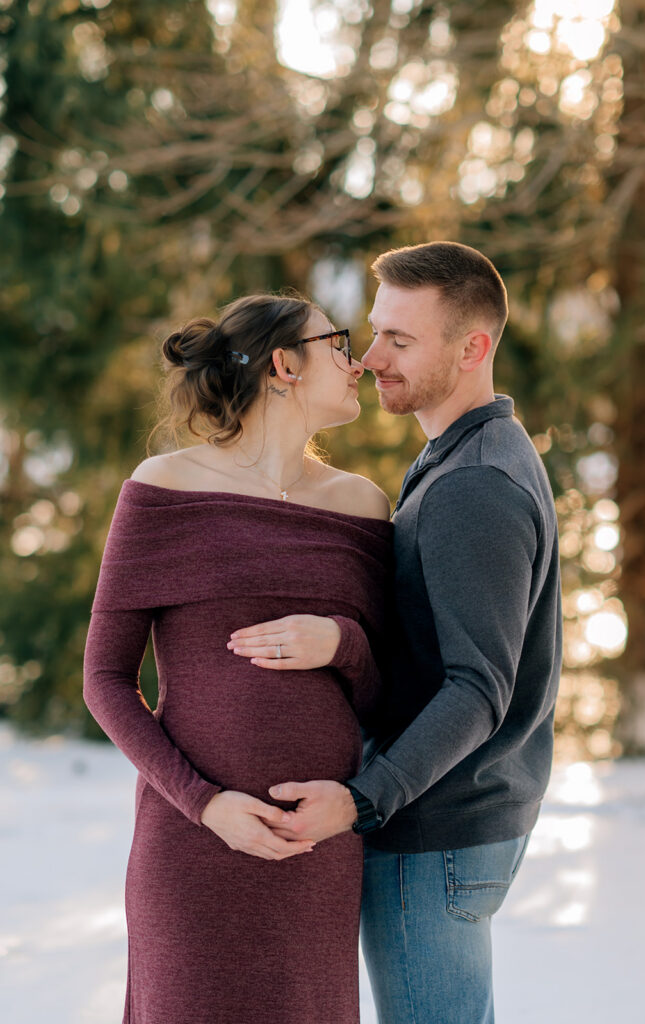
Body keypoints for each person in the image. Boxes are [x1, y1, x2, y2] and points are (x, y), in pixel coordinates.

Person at [230, 242, 562, 1024]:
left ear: (473, 348)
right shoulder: (460, 454)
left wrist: (361, 800)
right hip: (449, 822)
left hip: (435, 833)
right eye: (375, 330)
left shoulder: (474, 483)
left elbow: (478, 689)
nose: (371, 357)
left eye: (402, 341)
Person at [82, 292, 392, 1024]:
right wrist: (205, 803)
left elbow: (389, 694)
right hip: (193, 845)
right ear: (285, 363)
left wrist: (342, 644)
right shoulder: (163, 489)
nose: (358, 363)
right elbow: (104, 680)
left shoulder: (364, 507)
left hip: (313, 846)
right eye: (337, 343)